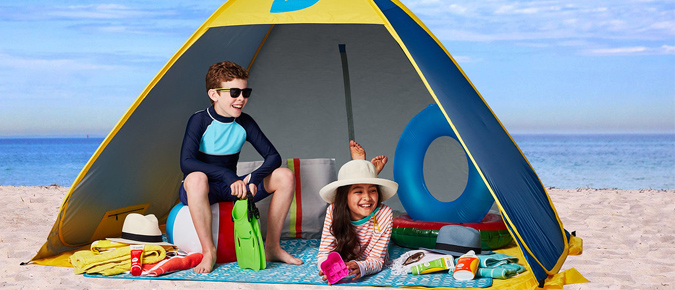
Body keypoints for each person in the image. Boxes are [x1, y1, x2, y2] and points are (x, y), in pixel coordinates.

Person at [179, 61, 302, 273]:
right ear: (214, 94)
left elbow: (273, 156)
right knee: (196, 178)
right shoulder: (199, 120)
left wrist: (253, 179)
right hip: (203, 189)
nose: (241, 98)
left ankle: (272, 246)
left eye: (246, 92)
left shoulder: (245, 122)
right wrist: (227, 175)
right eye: (235, 92)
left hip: (232, 188)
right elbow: (186, 162)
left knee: (285, 175)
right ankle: (209, 252)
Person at [316, 141, 399, 283]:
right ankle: (362, 167)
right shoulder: (333, 210)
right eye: (358, 191)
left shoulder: (384, 214)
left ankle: (364, 168)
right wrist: (327, 266)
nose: (367, 197)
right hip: (344, 253)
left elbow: (377, 259)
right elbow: (324, 252)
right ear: (344, 196)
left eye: (373, 190)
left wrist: (362, 266)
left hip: (367, 257)